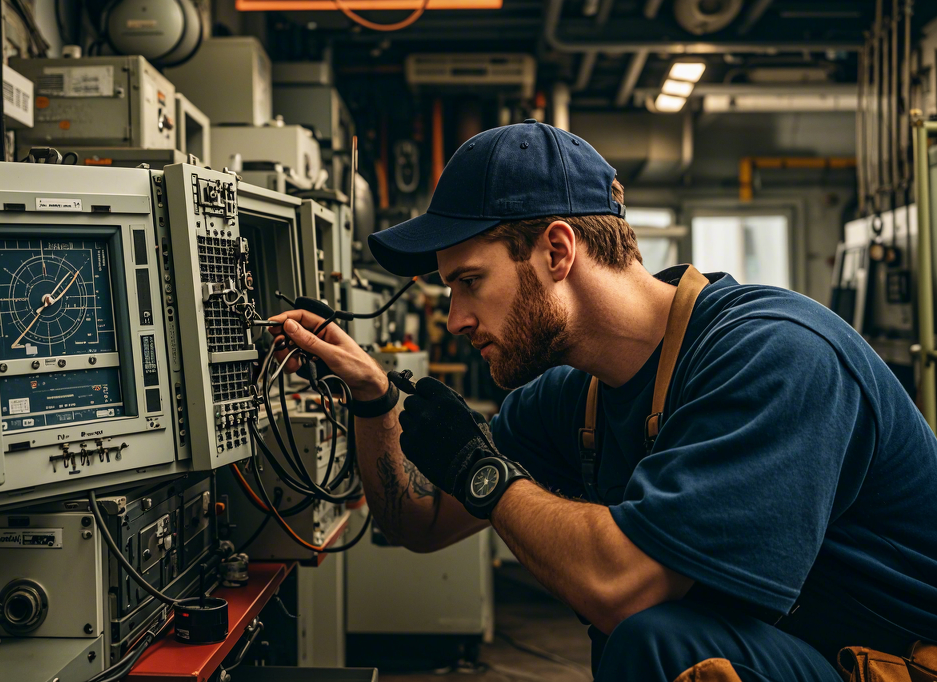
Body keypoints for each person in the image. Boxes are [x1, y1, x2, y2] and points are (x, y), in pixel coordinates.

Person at [268, 120, 937, 681]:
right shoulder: (571, 396)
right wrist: (372, 397)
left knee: (658, 641)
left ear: (558, 250)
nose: (455, 319)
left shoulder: (773, 355)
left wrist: (482, 471)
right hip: (788, 655)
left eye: (469, 281)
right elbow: (419, 523)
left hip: (887, 663)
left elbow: (624, 587)